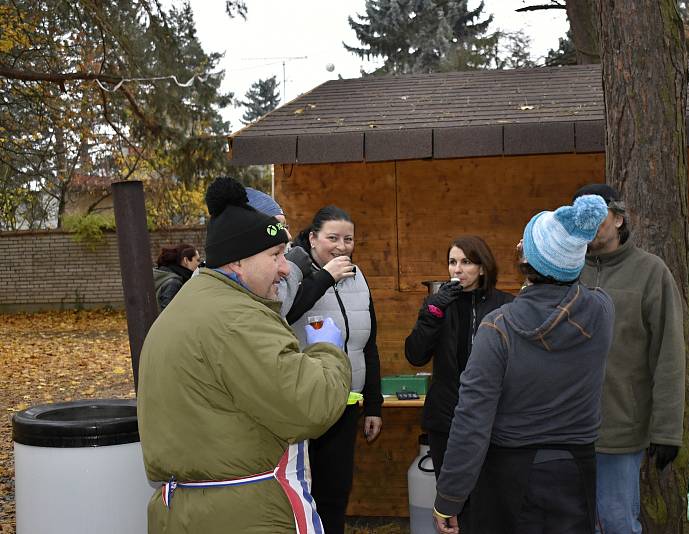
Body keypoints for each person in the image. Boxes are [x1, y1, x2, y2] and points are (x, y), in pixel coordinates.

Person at [138, 176, 352, 534]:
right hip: (246, 514)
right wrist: (327, 350)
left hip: (190, 512)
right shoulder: (239, 320)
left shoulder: (187, 307)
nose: (285, 268)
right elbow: (309, 405)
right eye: (275, 256)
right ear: (238, 262)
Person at [433, 195, 615, 534]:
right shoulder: (602, 312)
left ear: (526, 261)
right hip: (576, 468)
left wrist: (449, 497)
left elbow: (472, 419)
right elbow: (574, 283)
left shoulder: (497, 327)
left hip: (510, 473)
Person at [574, 184, 686, 534]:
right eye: (582, 217)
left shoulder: (651, 272)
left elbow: (669, 354)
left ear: (619, 219)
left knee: (618, 521)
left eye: (598, 216)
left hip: (620, 429)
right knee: (574, 523)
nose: (589, 225)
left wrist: (667, 430)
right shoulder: (566, 271)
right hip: (565, 429)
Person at [282, 205, 383, 534]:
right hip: (302, 398)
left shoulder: (359, 277)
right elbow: (286, 312)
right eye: (333, 238)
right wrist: (324, 278)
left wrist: (374, 405)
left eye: (349, 239)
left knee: (335, 491)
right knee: (296, 487)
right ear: (313, 238)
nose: (342, 247)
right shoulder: (291, 271)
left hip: (346, 400)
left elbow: (367, 343)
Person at [404, 236, 514, 525]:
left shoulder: (506, 305)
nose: (457, 269)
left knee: (490, 502)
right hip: (447, 420)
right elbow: (415, 354)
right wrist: (432, 313)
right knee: (453, 503)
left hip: (494, 419)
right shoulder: (439, 305)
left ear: (482, 267)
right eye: (452, 262)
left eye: (466, 262)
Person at [152, 243, 199, 311]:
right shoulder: (174, 283)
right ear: (186, 260)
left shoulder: (161, 273)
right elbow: (168, 315)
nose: (199, 264)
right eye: (197, 260)